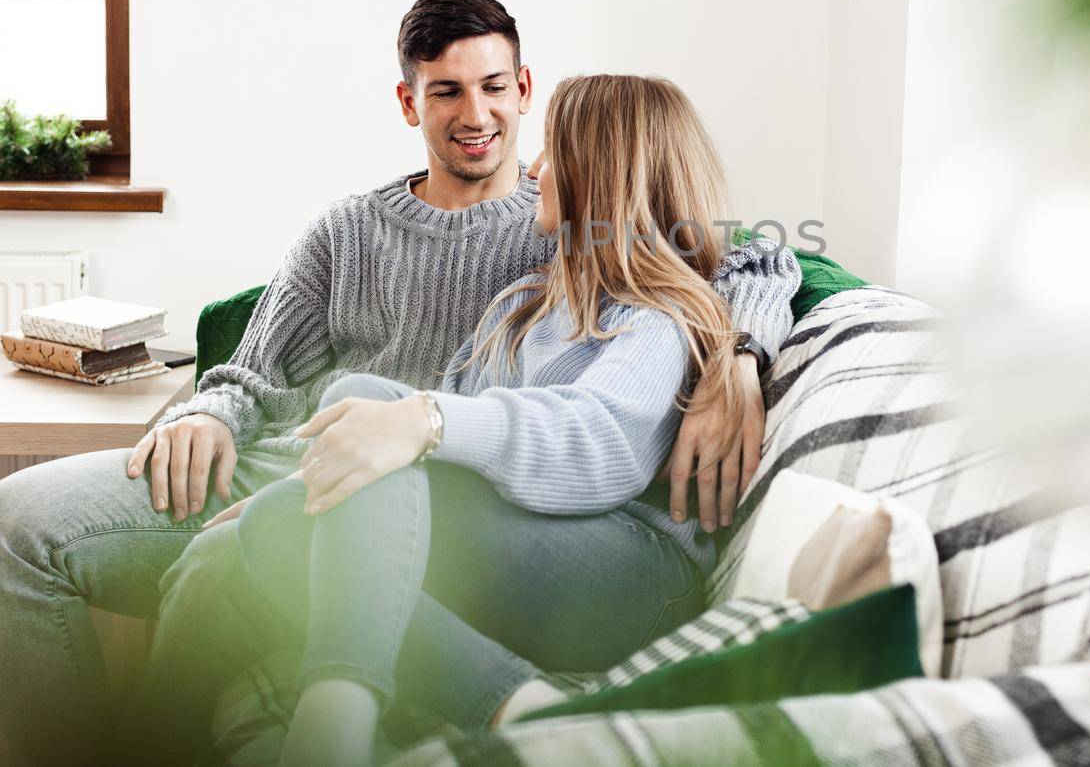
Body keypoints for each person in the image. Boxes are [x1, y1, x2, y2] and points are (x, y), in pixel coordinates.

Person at [0, 0, 798, 763]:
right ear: (408, 101)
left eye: (497, 88)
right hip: (314, 460)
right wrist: (208, 412)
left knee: (355, 423)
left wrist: (743, 355)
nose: (481, 116)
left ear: (527, 89)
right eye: (447, 91)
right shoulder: (389, 246)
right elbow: (251, 370)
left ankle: (335, 719)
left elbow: (737, 255)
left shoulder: (577, 242)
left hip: (457, 493)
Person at [153, 74, 798, 767]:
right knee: (264, 530)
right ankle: (519, 704)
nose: (538, 168)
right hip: (526, 547)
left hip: (632, 571)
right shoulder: (523, 305)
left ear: (604, 172)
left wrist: (424, 419)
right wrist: (307, 485)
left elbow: (600, 441)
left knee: (371, 408)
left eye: (557, 150)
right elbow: (415, 458)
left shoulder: (657, 310)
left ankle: (330, 731)